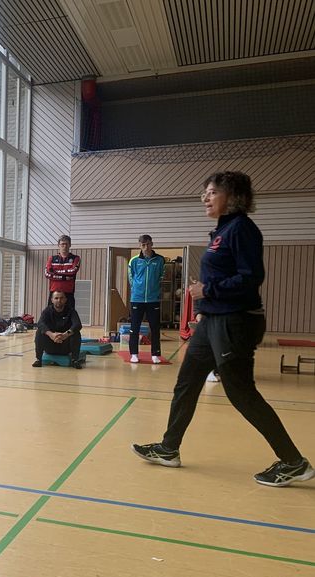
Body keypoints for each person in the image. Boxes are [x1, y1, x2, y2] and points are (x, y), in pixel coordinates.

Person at [132, 171, 313, 487]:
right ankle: (169, 448)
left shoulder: (242, 229)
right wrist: (205, 303)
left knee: (241, 393)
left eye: (213, 192)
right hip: (212, 321)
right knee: (187, 382)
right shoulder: (222, 230)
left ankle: (293, 462)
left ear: (234, 197)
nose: (205, 197)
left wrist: (208, 290)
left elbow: (250, 277)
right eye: (204, 192)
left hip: (235, 322)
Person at [127, 234, 166, 364]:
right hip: (137, 299)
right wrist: (137, 290)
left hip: (153, 299)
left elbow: (161, 276)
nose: (146, 247)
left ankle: (155, 354)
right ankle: (134, 354)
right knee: (134, 327)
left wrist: (154, 289)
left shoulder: (160, 260)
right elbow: (131, 278)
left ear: (152, 244)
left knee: (155, 328)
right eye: (143, 245)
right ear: (139, 246)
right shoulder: (134, 261)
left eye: (148, 244)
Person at [33, 290, 83, 369]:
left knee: (76, 332)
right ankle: (38, 359)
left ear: (65, 300)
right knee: (39, 332)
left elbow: (77, 325)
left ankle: (75, 360)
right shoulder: (47, 311)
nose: (59, 300)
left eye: (61, 298)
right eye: (56, 298)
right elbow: (40, 324)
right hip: (50, 345)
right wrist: (51, 335)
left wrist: (65, 335)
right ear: (52, 300)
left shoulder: (71, 311)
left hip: (65, 346)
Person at [45, 234, 81, 307]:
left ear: (70, 245)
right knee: (50, 313)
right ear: (58, 245)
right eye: (62, 244)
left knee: (70, 313)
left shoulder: (75, 258)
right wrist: (64, 277)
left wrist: (55, 272)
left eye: (66, 244)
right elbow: (47, 274)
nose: (64, 246)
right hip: (54, 292)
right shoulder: (52, 258)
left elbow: (73, 272)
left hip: (68, 292)